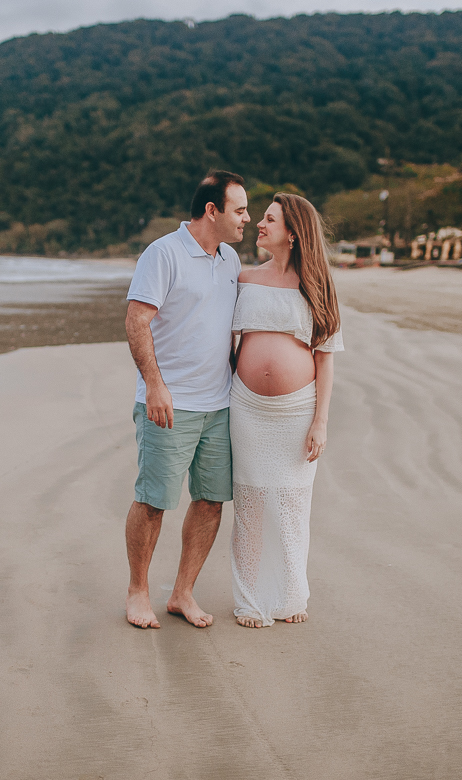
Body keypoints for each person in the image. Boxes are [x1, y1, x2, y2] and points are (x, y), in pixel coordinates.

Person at [124, 171, 249, 629]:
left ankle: (182, 593)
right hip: (170, 405)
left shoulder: (231, 258)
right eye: (240, 210)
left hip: (220, 405)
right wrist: (154, 386)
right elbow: (137, 319)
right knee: (153, 501)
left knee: (212, 501)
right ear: (212, 210)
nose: (247, 219)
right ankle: (138, 592)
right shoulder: (163, 253)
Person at [229, 193, 342, 628]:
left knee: (292, 503)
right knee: (251, 502)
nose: (259, 224)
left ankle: (291, 595)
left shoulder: (317, 286)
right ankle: (250, 600)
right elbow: (227, 340)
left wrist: (320, 422)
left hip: (297, 410)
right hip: (247, 406)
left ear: (293, 233)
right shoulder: (244, 278)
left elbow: (325, 358)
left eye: (269, 219)